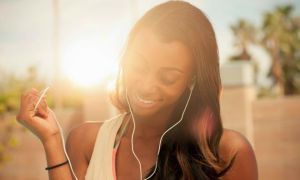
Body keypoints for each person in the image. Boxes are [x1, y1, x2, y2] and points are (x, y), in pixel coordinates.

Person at [16, 1, 258, 180]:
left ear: (192, 80)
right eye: (139, 66)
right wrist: (51, 140)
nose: (146, 85)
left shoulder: (227, 153)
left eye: (167, 77)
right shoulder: (86, 142)